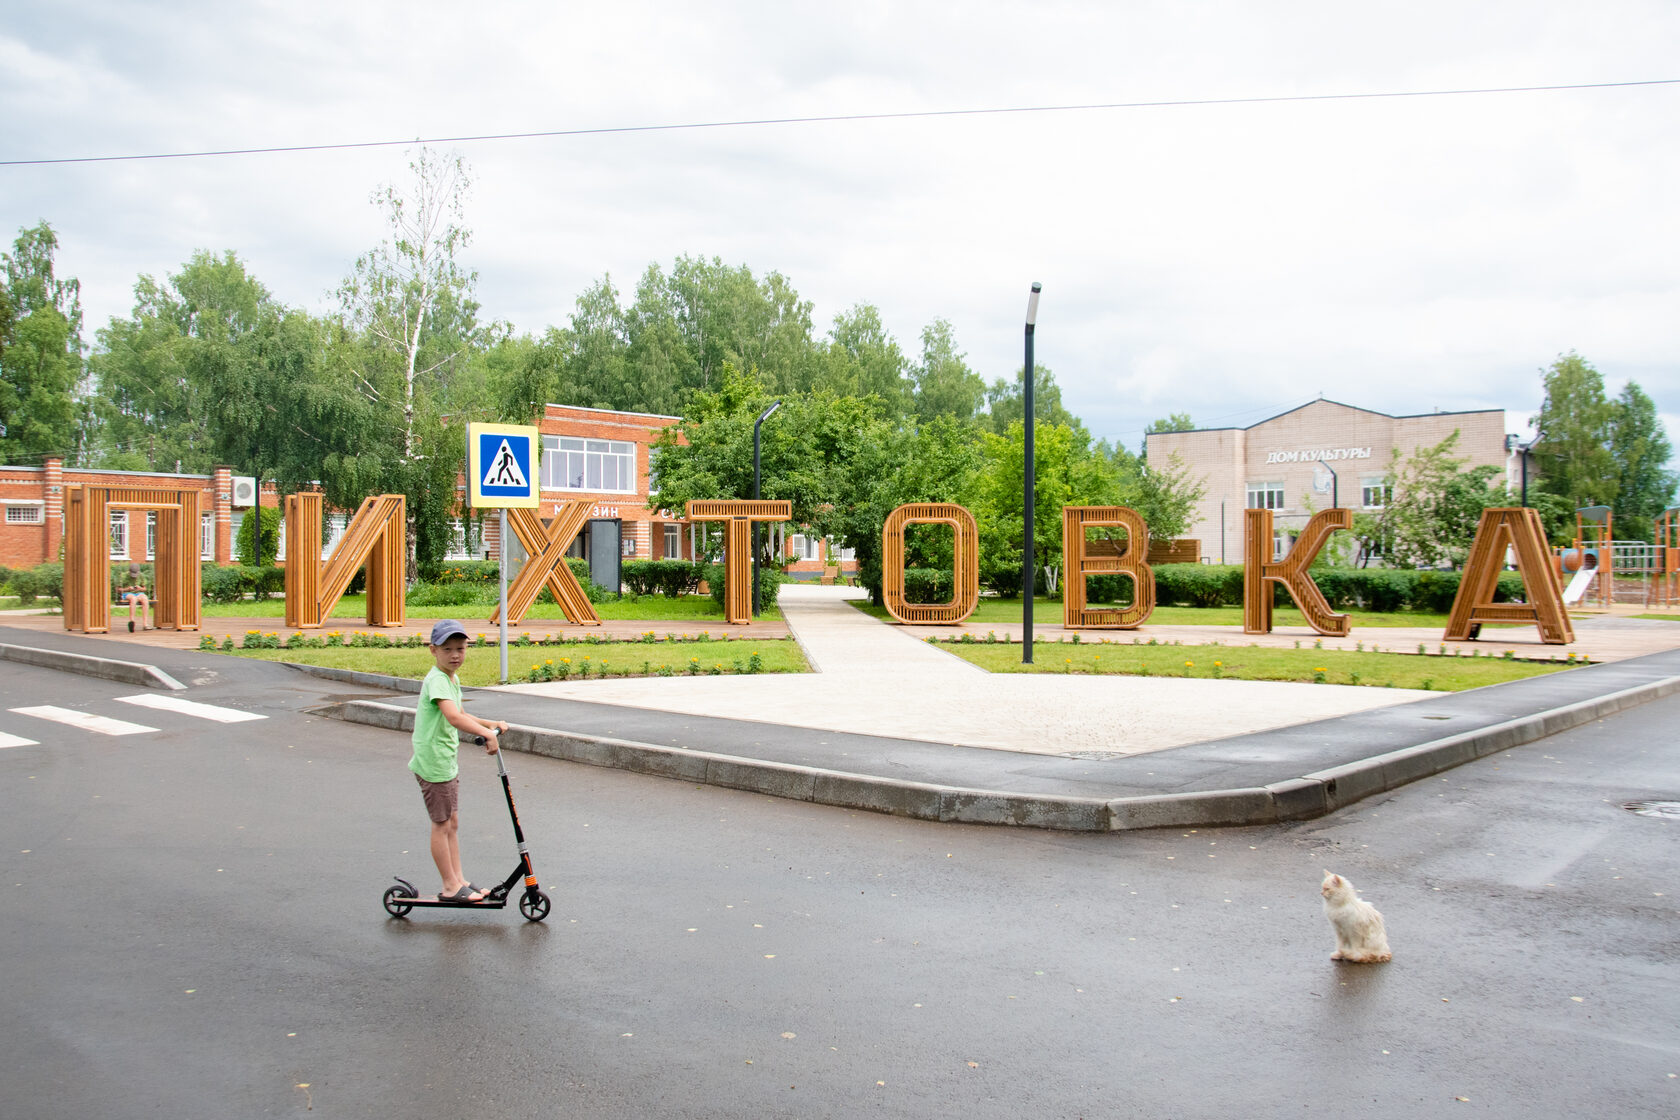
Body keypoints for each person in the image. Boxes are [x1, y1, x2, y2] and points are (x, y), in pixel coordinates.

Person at [409, 619, 510, 902]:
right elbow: (453, 718)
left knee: (452, 822)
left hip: (445, 758)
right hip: (434, 761)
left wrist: (489, 723)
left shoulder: (451, 679)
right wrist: (487, 736)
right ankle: (449, 886)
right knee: (441, 824)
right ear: (433, 650)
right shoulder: (437, 680)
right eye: (448, 649)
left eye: (461, 649)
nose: (455, 655)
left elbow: (462, 713)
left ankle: (459, 879)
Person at [118, 562, 151, 632]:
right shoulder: (123, 576)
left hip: (138, 592)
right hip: (127, 593)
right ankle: (132, 621)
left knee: (145, 599)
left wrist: (140, 588)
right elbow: (118, 589)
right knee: (133, 599)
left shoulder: (141, 576)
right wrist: (127, 589)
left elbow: (144, 588)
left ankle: (145, 624)